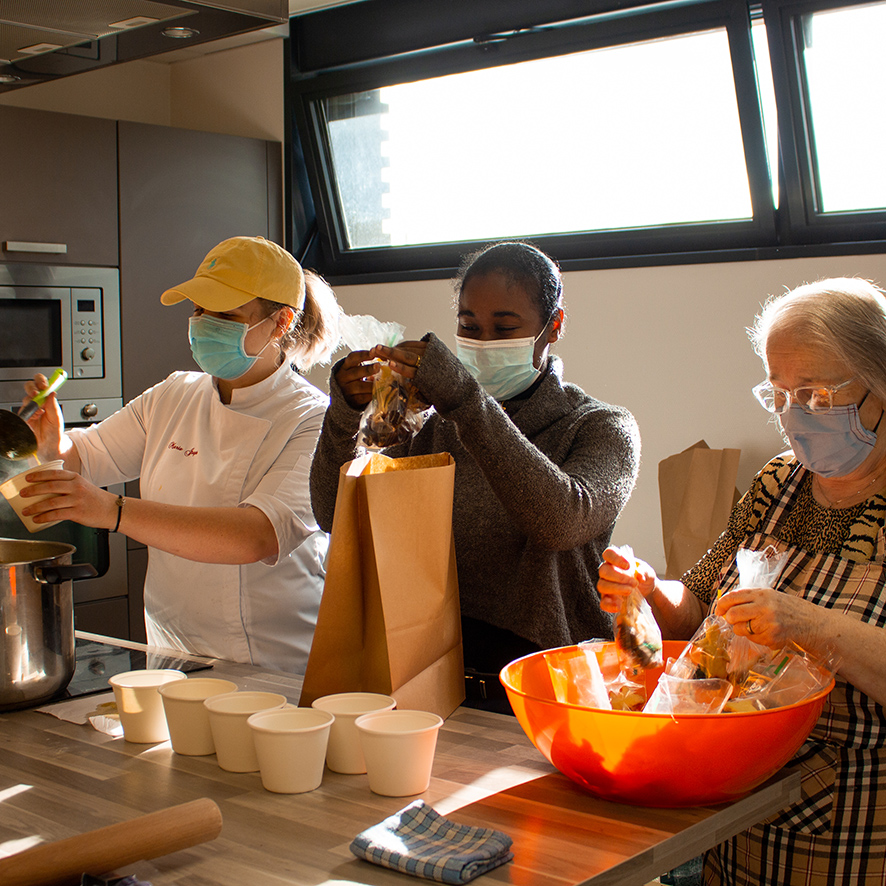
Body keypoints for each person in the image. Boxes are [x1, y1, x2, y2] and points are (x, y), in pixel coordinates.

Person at [598, 276, 886, 886]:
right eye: (777, 394)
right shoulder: (779, 484)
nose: (793, 417)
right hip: (738, 820)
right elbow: (697, 608)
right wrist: (650, 587)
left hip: (859, 834)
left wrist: (809, 625)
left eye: (814, 394)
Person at [310, 240, 640, 709]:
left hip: (553, 691)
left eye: (505, 328)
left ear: (554, 327)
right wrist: (344, 415)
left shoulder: (601, 426)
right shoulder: (432, 424)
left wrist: (465, 400)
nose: (484, 344)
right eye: (469, 327)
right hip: (432, 679)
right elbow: (333, 516)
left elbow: (560, 520)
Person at [20, 235, 341, 674]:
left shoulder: (311, 418)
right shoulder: (173, 395)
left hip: (273, 664)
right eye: (199, 311)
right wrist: (54, 444)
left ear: (281, 322)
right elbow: (86, 458)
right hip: (173, 655)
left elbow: (256, 535)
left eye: (225, 315)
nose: (205, 324)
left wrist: (113, 511)